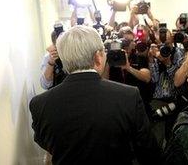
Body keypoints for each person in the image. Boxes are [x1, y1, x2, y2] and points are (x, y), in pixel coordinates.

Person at [30, 25, 162, 165]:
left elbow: (45, 142)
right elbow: (148, 151)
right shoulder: (128, 96)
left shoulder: (39, 104)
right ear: (98, 57)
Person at [40, 23, 67, 90]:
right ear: (54, 44)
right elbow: (45, 85)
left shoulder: (72, 55)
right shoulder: (48, 58)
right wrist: (51, 63)